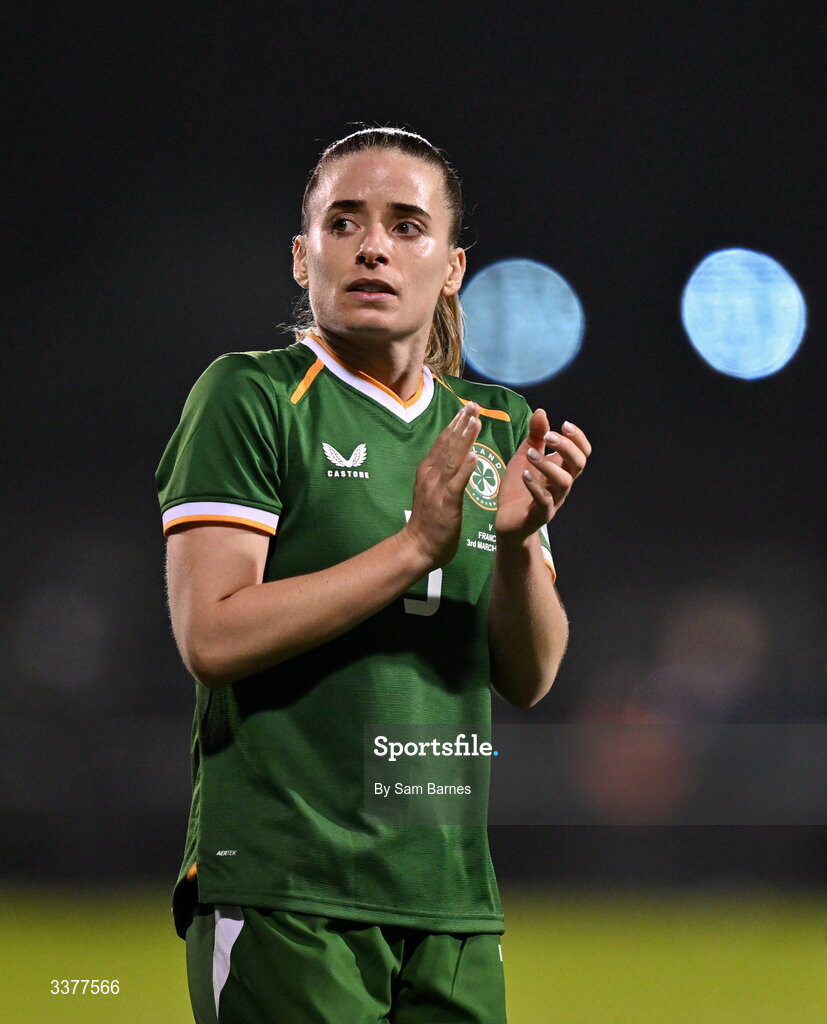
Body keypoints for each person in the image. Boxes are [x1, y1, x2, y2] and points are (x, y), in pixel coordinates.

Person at [157, 126, 591, 1024]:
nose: (373, 246)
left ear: (453, 264)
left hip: (450, 903)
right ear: (299, 255)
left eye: (406, 225)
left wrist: (515, 545)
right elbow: (212, 634)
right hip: (288, 890)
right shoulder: (252, 396)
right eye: (343, 221)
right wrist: (412, 549)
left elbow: (532, 674)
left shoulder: (497, 423)